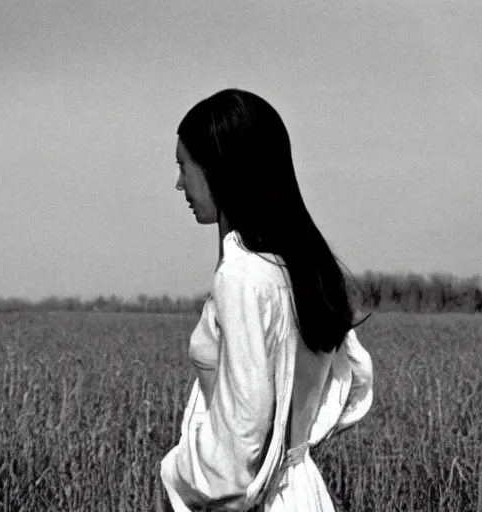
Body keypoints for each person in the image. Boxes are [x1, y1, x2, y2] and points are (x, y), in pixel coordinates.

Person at [161, 89, 374, 511]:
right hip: (303, 492)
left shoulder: (243, 277)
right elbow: (354, 387)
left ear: (218, 166)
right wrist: (293, 450)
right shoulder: (304, 268)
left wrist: (174, 472)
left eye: (184, 166)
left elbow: (234, 461)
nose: (179, 182)